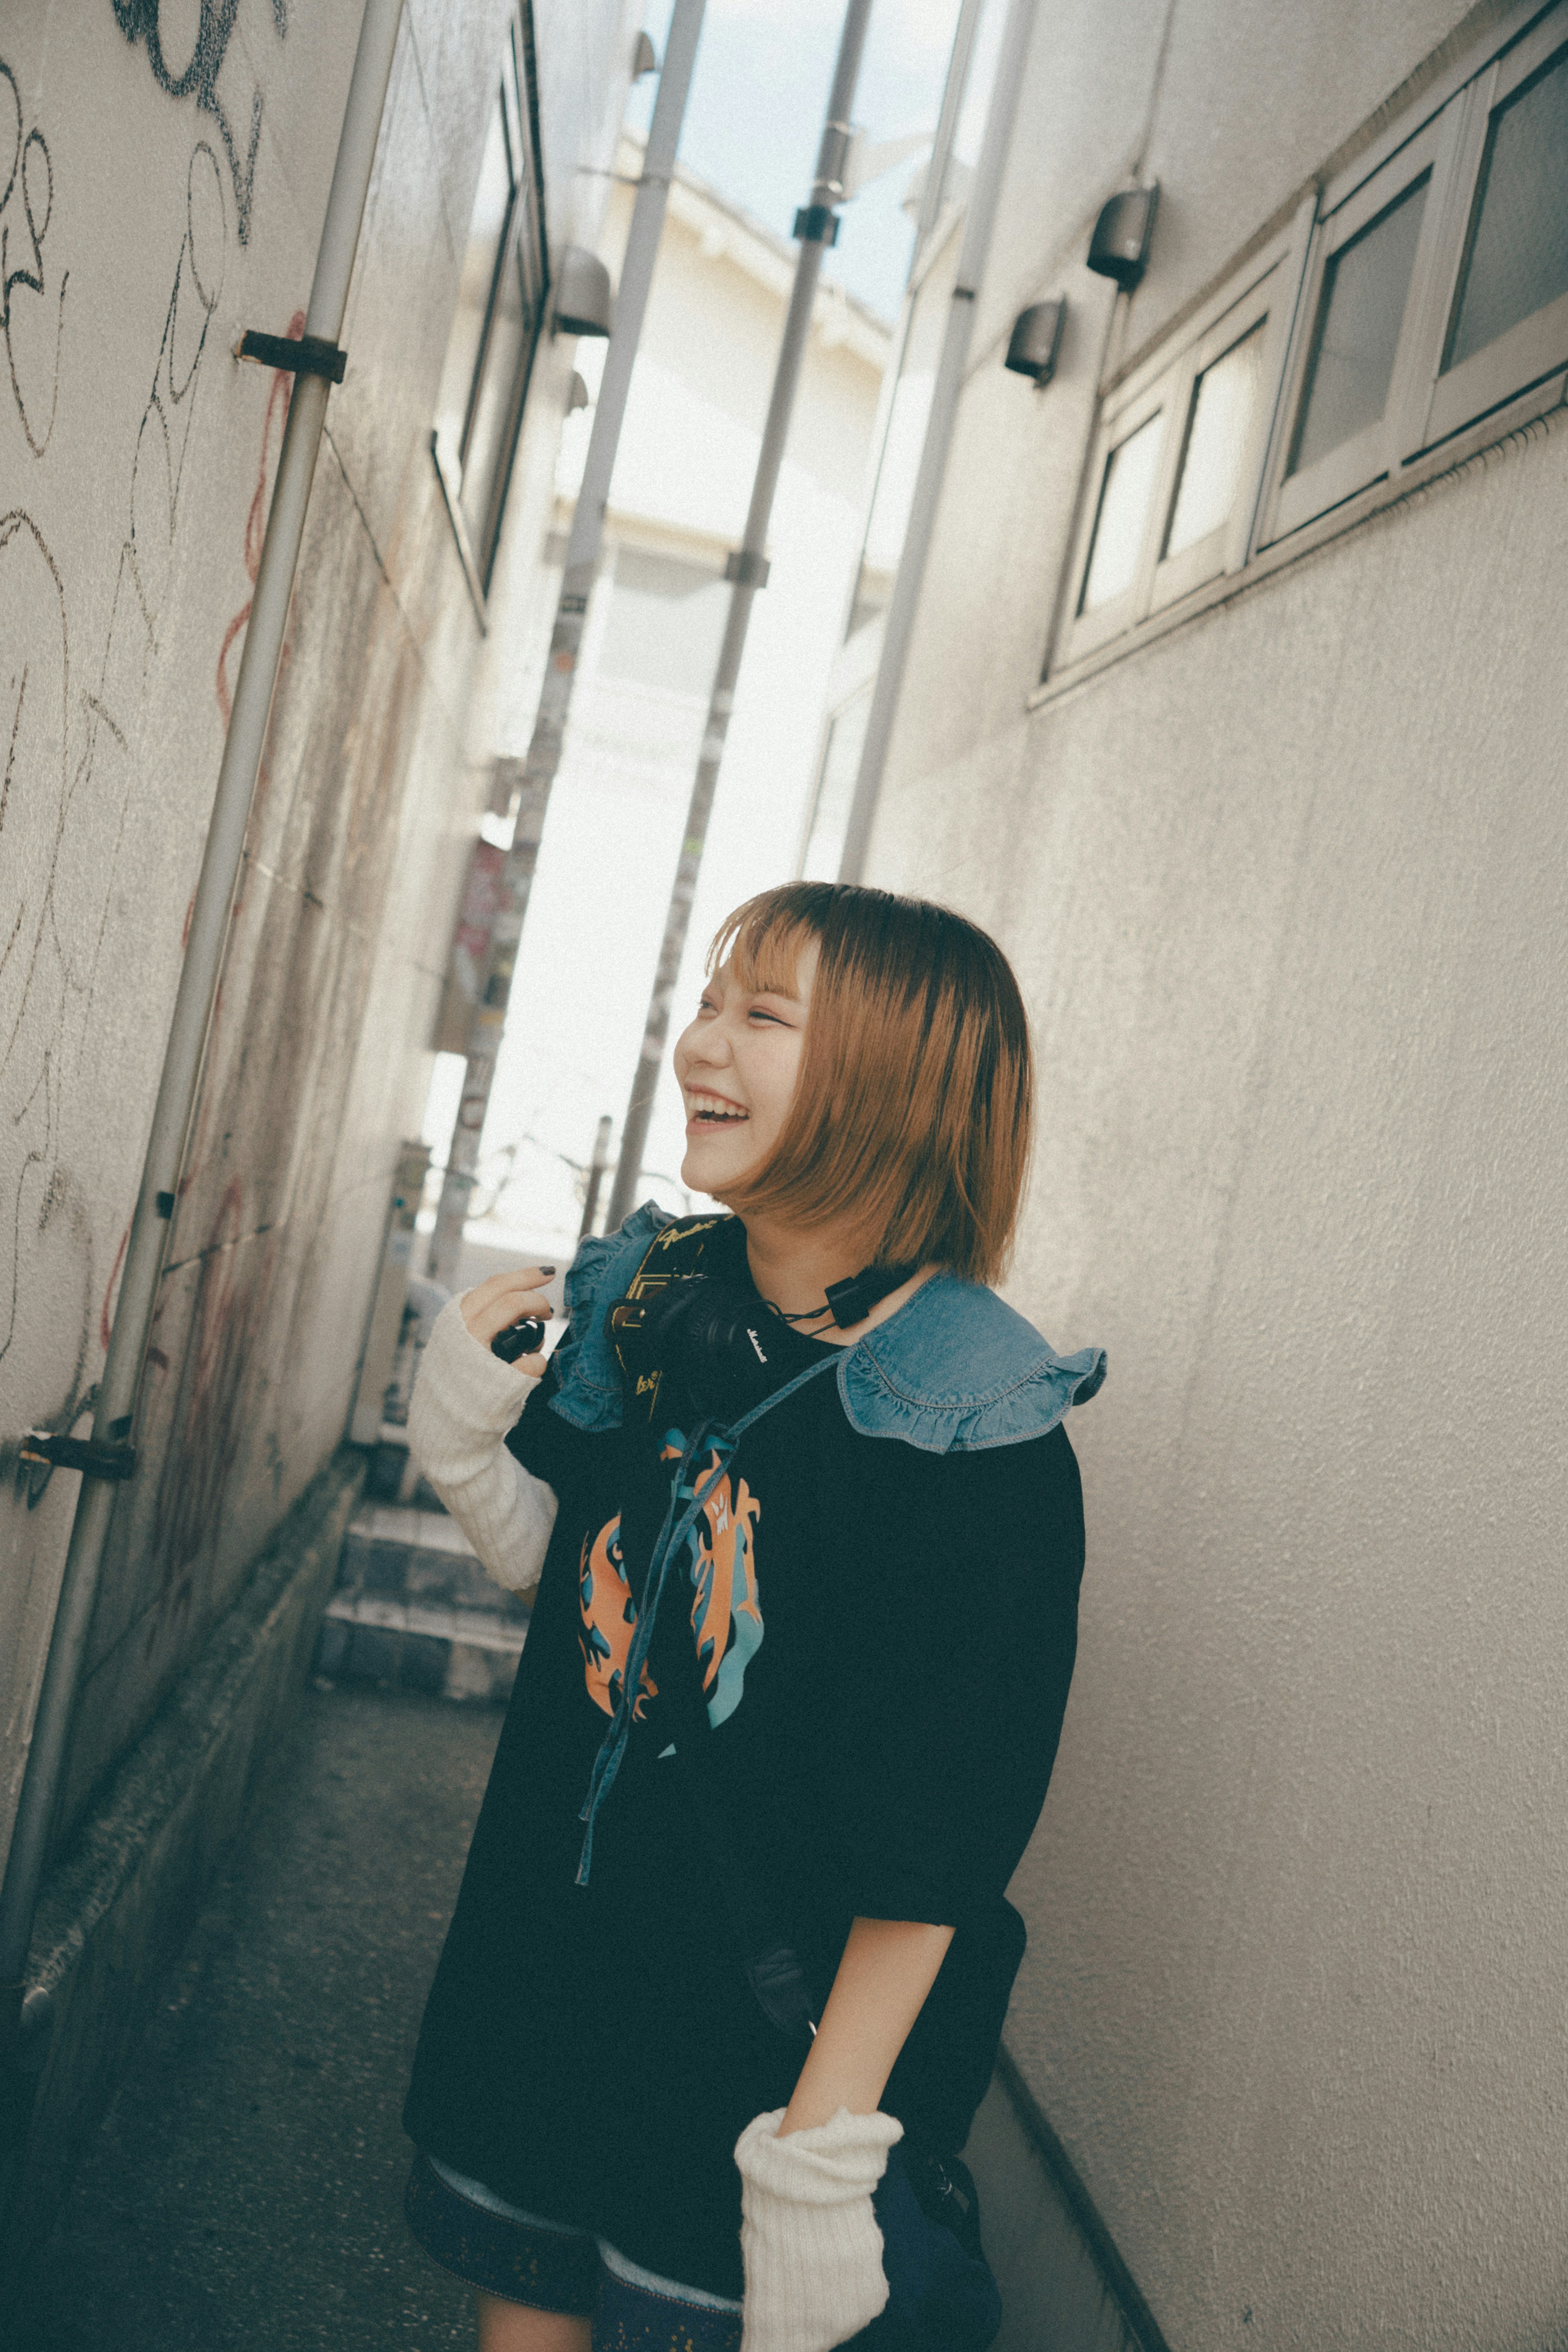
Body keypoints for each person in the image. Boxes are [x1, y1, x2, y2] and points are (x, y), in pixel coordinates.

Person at [400, 881, 1105, 2352]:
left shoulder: (974, 1428)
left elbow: (941, 1848)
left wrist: (815, 2164)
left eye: (761, 1016)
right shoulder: (644, 1296)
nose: (698, 1042)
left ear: (898, 1087)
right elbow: (589, 1604)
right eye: (712, 1001)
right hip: (547, 1972)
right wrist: (466, 1453)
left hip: (746, 2068)